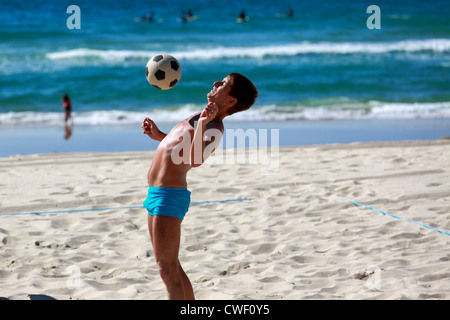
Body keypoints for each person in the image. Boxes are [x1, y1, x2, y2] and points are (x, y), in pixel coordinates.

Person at [141, 73, 258, 300]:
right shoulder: (202, 116)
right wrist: (160, 137)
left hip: (169, 196)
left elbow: (195, 159)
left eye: (223, 84)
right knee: (171, 266)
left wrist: (203, 124)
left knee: (166, 269)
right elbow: (179, 150)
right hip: (156, 193)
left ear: (230, 101)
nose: (215, 83)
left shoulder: (214, 125)